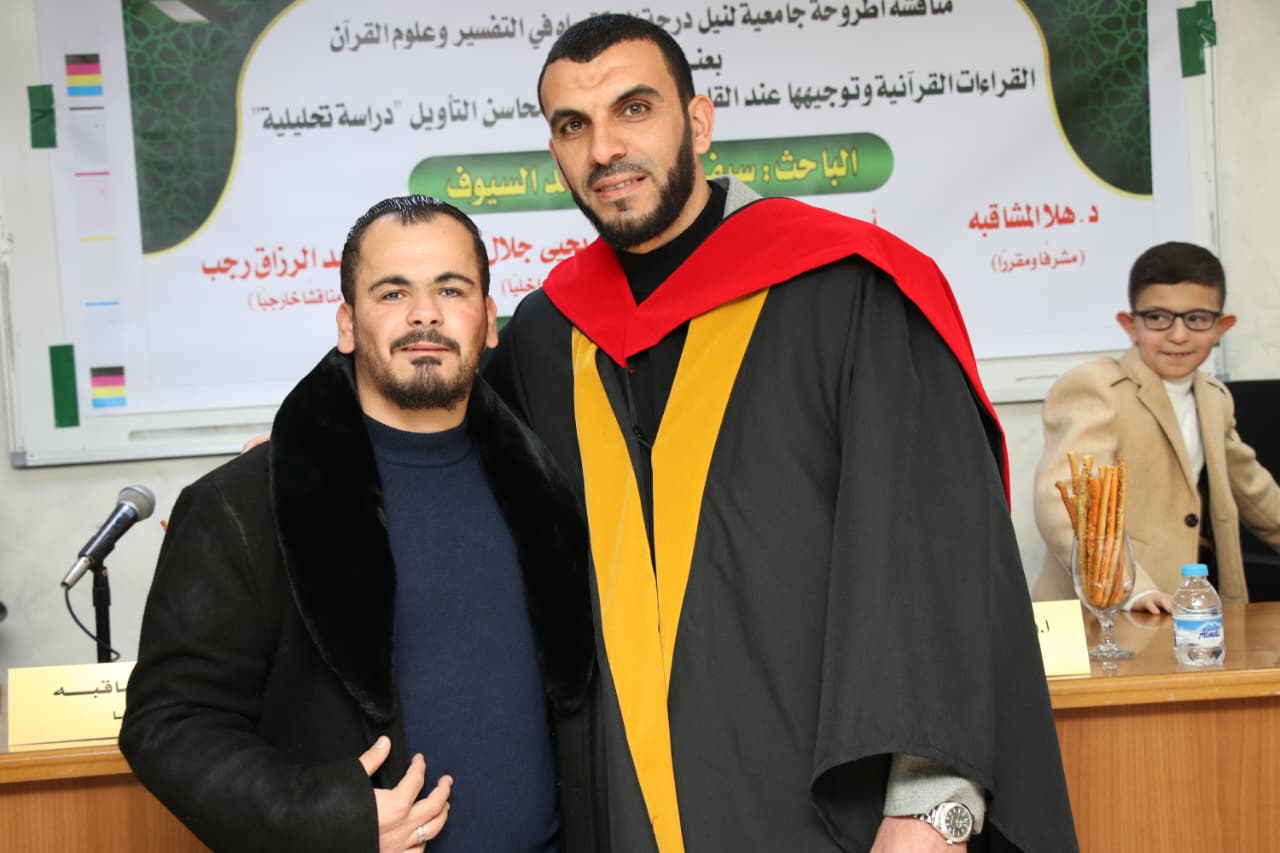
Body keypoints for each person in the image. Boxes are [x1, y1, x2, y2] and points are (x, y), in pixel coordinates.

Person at [484, 13, 1076, 852]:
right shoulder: (549, 336)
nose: (605, 148)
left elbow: (935, 553)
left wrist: (931, 809)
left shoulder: (847, 292)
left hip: (829, 811)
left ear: (698, 122)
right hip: (623, 811)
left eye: (634, 109)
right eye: (573, 125)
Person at [120, 196, 597, 853]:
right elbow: (167, 721)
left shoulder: (553, 485)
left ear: (489, 321)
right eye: (393, 292)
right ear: (347, 325)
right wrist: (332, 820)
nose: (424, 313)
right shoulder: (246, 504)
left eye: (451, 289)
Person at [1033, 241, 1280, 609]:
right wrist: (1134, 590)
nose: (1178, 335)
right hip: (1107, 609)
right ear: (1129, 325)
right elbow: (1070, 502)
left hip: (1183, 607)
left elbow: (1255, 491)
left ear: (1221, 327)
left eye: (1197, 319)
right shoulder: (1097, 387)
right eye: (1158, 318)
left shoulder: (1214, 397)